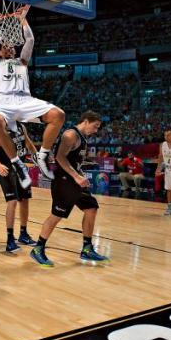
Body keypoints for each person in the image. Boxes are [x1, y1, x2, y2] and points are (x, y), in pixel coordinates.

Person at [0, 6, 65, 186]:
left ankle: (43, 155)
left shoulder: (22, 62)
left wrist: (22, 18)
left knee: (58, 115)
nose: (9, 48)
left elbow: (29, 39)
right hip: (4, 101)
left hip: (25, 100)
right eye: (5, 46)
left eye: (12, 46)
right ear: (0, 51)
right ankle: (17, 164)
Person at [30, 111, 109, 267]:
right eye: (95, 126)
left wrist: (81, 172)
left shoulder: (82, 137)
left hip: (75, 181)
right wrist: (77, 176)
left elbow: (73, 160)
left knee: (91, 207)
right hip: (64, 181)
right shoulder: (70, 135)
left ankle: (87, 248)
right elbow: (60, 157)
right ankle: (38, 248)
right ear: (86, 121)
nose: (96, 130)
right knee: (56, 215)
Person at [0, 123, 37, 253]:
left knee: (25, 200)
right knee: (13, 201)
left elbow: (28, 143)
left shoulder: (21, 127)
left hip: (21, 169)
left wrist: (38, 158)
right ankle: (10, 239)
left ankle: (23, 234)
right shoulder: (0, 129)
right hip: (7, 169)